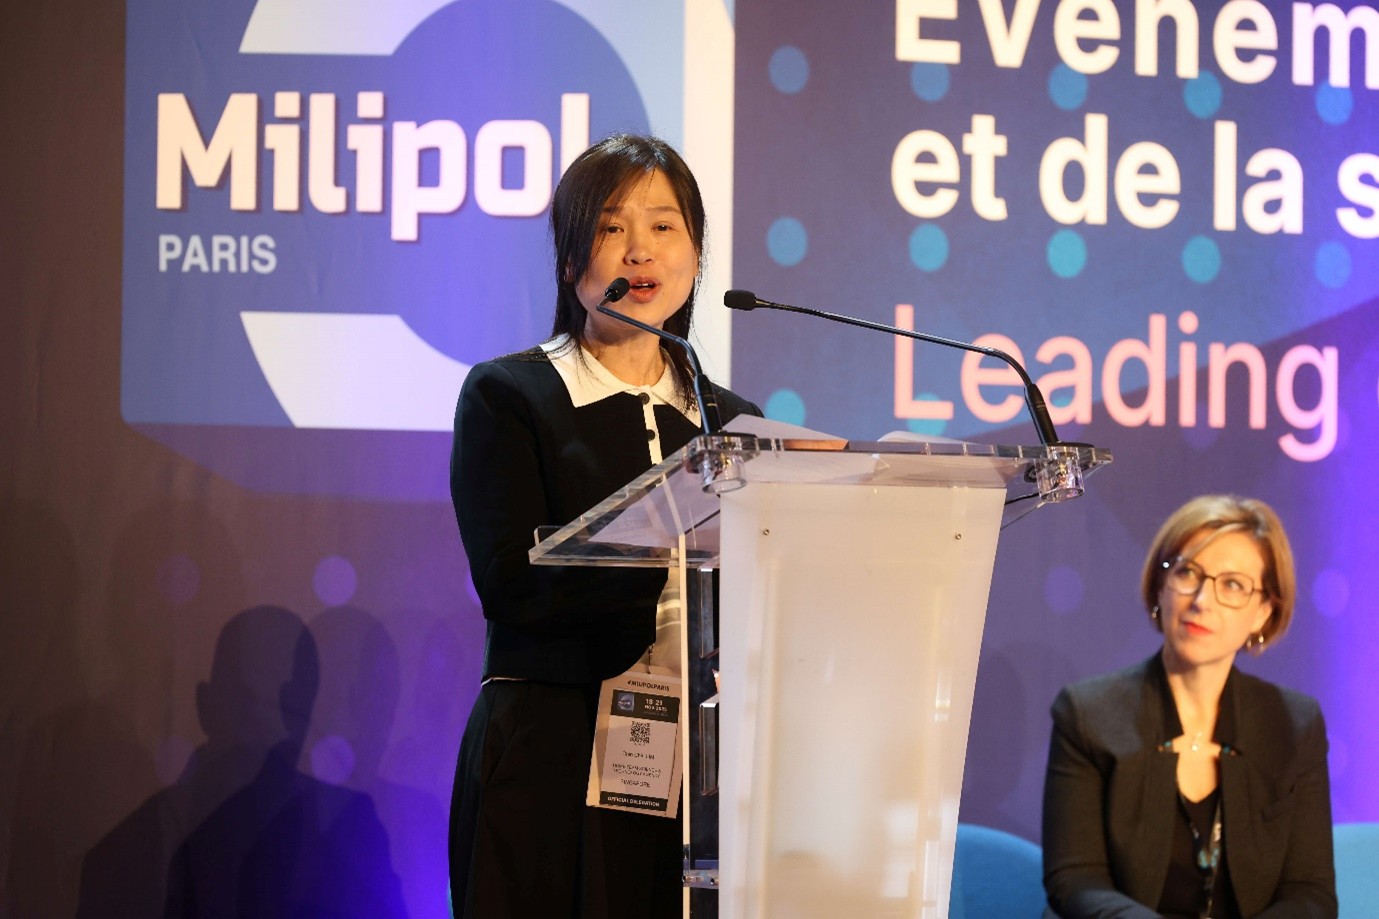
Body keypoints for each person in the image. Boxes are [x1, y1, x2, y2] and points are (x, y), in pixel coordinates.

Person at [447, 133, 761, 918]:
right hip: (550, 753)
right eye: (612, 227)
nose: (639, 251)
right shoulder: (511, 396)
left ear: (695, 254)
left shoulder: (735, 425)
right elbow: (513, 583)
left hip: (703, 769)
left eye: (664, 226)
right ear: (568, 262)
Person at [1041, 494, 1337, 919]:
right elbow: (1075, 879)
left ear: (1263, 613)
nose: (1203, 599)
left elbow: (1311, 894)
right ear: (1161, 586)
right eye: (1187, 573)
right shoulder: (1088, 714)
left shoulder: (1294, 724)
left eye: (1232, 584)